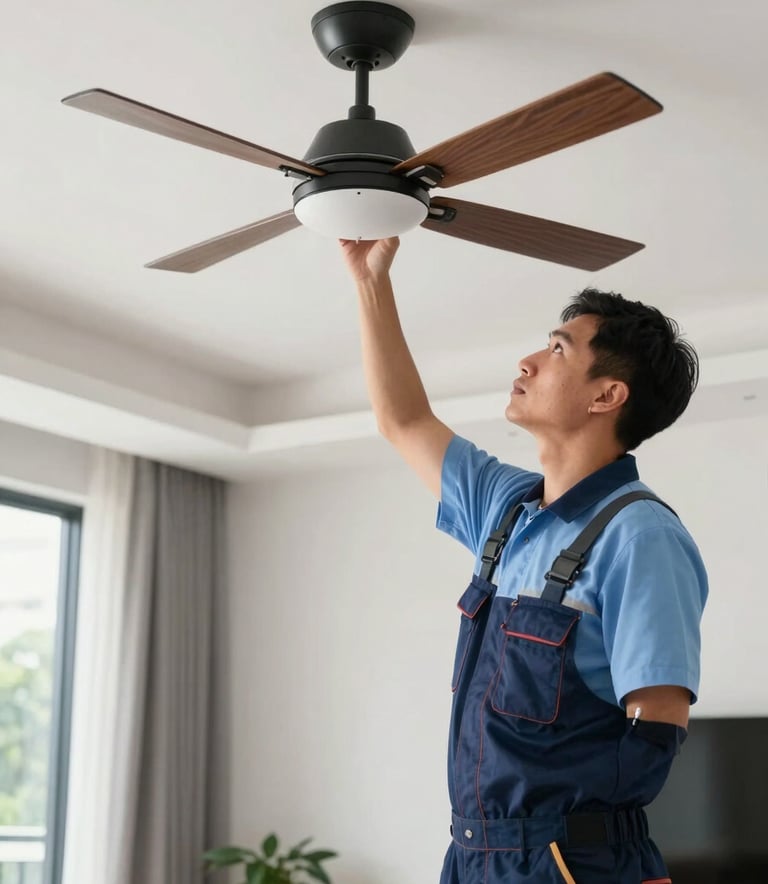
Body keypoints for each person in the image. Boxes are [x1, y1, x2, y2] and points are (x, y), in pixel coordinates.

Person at [340, 236, 708, 884]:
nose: (530, 360)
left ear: (606, 396)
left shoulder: (640, 535)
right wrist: (371, 281)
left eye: (558, 349)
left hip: (568, 863)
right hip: (471, 856)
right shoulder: (506, 510)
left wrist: (559, 836)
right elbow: (402, 419)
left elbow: (657, 726)